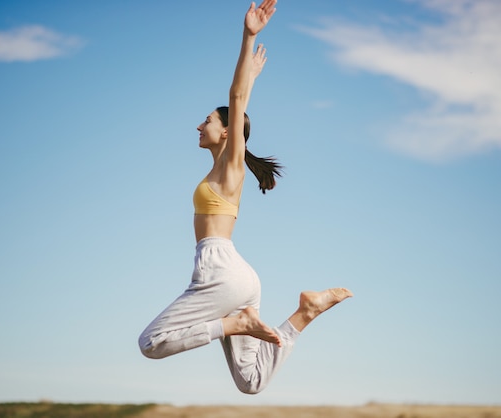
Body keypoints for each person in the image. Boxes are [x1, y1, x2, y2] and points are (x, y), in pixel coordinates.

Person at [138, 0, 352, 394]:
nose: (198, 125)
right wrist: (250, 74)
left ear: (226, 132)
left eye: (207, 120)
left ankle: (234, 322)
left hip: (220, 272)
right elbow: (238, 99)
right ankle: (306, 311)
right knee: (251, 382)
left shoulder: (230, 167)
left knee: (150, 343)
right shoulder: (218, 170)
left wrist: (248, 36)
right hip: (239, 277)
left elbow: (236, 101)